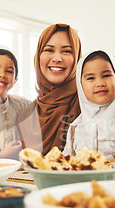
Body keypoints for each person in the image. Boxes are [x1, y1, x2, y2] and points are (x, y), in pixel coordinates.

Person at [17, 23, 82, 155]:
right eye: (49, 50)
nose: (57, 58)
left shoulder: (88, 106)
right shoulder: (25, 116)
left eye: (66, 51)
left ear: (77, 58)